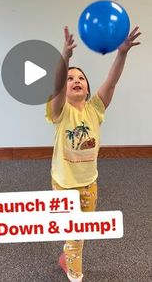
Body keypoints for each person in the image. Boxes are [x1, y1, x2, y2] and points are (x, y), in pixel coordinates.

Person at [45, 26, 141, 282]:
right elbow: (56, 85)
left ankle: (67, 256)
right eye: (70, 78)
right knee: (75, 233)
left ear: (87, 89)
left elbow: (111, 82)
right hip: (63, 185)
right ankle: (75, 273)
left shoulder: (95, 109)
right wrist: (65, 57)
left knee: (80, 232)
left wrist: (121, 54)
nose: (75, 80)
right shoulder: (60, 111)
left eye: (81, 78)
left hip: (89, 183)